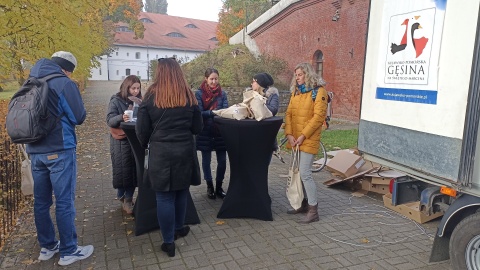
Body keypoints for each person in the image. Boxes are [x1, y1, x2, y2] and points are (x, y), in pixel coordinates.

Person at [26, 51, 94, 265]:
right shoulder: (63, 83)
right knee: (64, 201)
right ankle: (68, 251)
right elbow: (79, 116)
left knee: (41, 202)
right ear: (67, 69)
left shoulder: (31, 81)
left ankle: (47, 246)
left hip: (34, 150)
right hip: (59, 149)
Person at [136, 58, 202, 257]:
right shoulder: (189, 96)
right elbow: (198, 127)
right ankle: (179, 227)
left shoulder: (150, 96)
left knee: (164, 196)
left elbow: (141, 131)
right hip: (184, 151)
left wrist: (150, 143)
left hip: (161, 153)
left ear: (160, 72)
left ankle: (168, 242)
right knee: (181, 191)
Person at [284, 62, 328, 224]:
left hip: (308, 138)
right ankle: (302, 204)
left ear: (308, 74)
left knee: (305, 173)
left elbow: (318, 117)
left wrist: (303, 135)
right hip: (295, 138)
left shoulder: (319, 92)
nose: (297, 78)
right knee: (298, 172)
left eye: (300, 75)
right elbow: (288, 113)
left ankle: (313, 210)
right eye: (296, 75)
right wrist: (289, 134)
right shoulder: (296, 92)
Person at [106, 75, 142, 214]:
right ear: (127, 87)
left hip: (135, 139)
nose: (136, 91)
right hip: (121, 141)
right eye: (133, 88)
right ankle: (123, 196)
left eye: (138, 88)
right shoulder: (116, 100)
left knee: (134, 171)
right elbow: (110, 119)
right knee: (124, 171)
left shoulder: (140, 100)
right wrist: (122, 117)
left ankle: (128, 199)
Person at [195, 68, 229, 199]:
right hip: (205, 130)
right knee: (206, 160)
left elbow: (225, 110)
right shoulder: (199, 94)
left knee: (222, 161)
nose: (214, 81)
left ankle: (219, 186)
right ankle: (209, 186)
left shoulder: (222, 94)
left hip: (220, 130)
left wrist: (218, 113)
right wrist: (213, 112)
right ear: (206, 79)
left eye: (216, 79)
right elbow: (199, 112)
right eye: (211, 79)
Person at [251, 72, 280, 159]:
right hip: (251, 134)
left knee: (263, 165)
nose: (251, 83)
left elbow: (273, 110)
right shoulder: (250, 95)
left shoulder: (272, 95)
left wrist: (259, 105)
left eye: (253, 81)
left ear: (259, 83)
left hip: (266, 134)